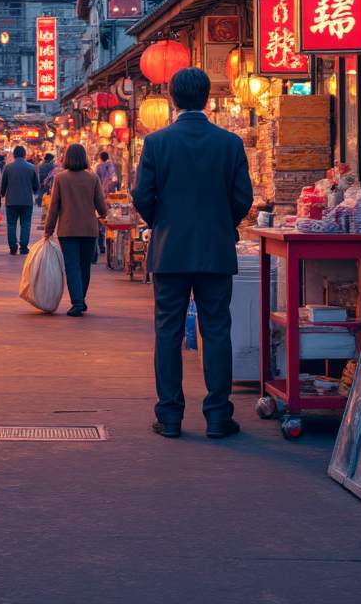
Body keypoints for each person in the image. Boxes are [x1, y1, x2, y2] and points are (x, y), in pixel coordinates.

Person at [132, 67, 254, 441]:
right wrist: (222, 223)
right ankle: (218, 416)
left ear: (172, 98)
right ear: (205, 98)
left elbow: (142, 197)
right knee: (216, 330)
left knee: (167, 330)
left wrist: (163, 222)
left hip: (169, 250)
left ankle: (170, 415)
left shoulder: (156, 143)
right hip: (216, 250)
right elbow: (243, 198)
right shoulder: (229, 142)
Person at [43, 143, 107, 316]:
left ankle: (77, 302)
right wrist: (103, 213)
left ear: (67, 158)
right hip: (89, 229)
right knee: (85, 266)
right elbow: (101, 207)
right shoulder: (93, 178)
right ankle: (81, 299)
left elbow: (54, 206)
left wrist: (48, 228)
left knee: (72, 266)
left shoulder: (61, 178)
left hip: (67, 229)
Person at [0, 145, 39, 255]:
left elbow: (3, 185)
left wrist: (2, 194)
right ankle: (23, 246)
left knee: (11, 224)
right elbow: (36, 186)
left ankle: (13, 246)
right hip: (27, 201)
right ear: (24, 154)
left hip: (11, 201)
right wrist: (33, 190)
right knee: (25, 224)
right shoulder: (31, 167)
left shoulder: (8, 167)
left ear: (13, 155)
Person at [95, 152, 120, 255]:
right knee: (108, 218)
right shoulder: (112, 167)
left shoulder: (98, 167)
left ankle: (100, 245)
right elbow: (116, 180)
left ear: (100, 158)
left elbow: (96, 180)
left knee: (100, 219)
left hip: (100, 194)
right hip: (111, 195)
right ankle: (106, 243)